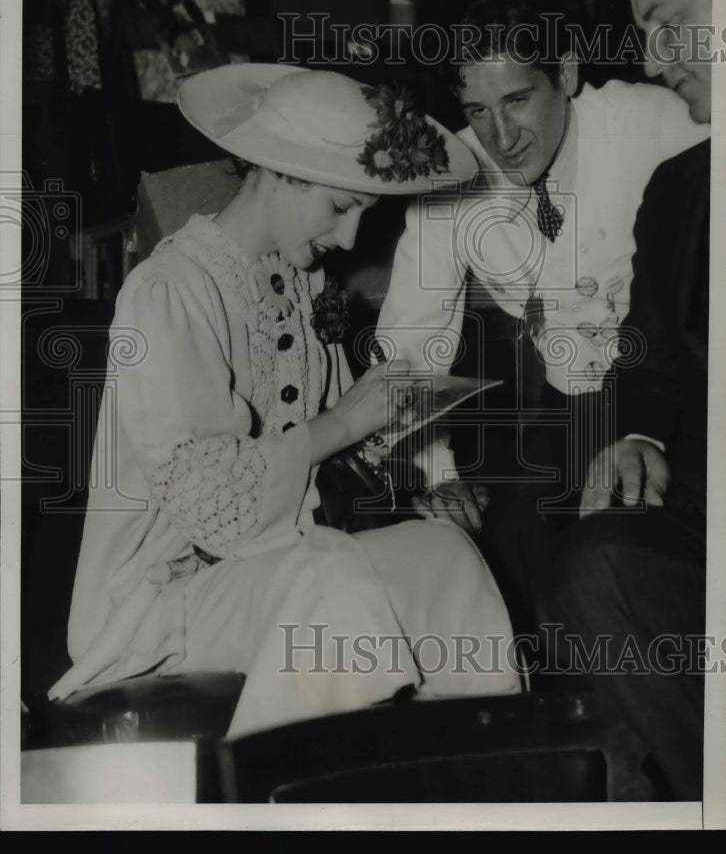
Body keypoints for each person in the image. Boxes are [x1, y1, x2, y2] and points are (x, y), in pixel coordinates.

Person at [50, 64, 519, 739]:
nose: (353, 239)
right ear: (278, 172)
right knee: (332, 587)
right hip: (162, 600)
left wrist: (404, 477)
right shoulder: (168, 293)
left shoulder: (297, 288)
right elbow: (217, 506)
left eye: (366, 212)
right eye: (341, 207)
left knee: (444, 557)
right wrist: (346, 419)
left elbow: (325, 474)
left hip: (270, 564)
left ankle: (495, 782)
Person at [376, 0, 708, 630]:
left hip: (680, 394)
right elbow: (410, 340)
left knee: (637, 560)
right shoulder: (450, 183)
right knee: (504, 555)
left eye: (518, 100)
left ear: (566, 72)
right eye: (476, 111)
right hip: (568, 408)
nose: (501, 136)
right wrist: (437, 474)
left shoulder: (659, 123)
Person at [542, 0, 713, 801]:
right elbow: (645, 354)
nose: (652, 58)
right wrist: (639, 435)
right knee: (591, 563)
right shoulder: (680, 188)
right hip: (703, 508)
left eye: (666, 20)